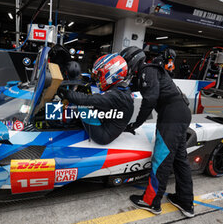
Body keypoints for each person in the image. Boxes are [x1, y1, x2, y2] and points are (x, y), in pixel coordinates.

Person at [125, 47, 194, 217]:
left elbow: (150, 99)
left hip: (171, 115)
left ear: (133, 60)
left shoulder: (146, 70)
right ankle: (185, 202)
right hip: (182, 113)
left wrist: (136, 124)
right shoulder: (151, 71)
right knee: (180, 160)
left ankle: (151, 202)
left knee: (161, 159)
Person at [57, 53, 137, 145]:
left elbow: (85, 100)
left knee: (80, 105)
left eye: (99, 75)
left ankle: (62, 124)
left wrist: (63, 92)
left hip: (103, 136)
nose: (98, 79)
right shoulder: (120, 89)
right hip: (108, 122)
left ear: (111, 73)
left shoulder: (117, 96)